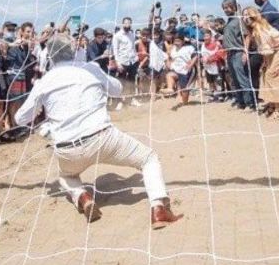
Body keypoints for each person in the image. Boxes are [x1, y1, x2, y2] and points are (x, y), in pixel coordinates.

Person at [14, 34, 182, 229]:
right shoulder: (90, 69)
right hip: (103, 137)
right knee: (149, 158)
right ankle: (159, 207)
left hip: (66, 148)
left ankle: (82, 196)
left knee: (65, 177)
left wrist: (45, 105)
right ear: (75, 50)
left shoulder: (44, 81)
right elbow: (117, 90)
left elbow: (20, 118)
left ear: (50, 56)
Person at [243, 6, 279, 116]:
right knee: (265, 74)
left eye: (248, 15)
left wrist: (266, 61)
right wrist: (265, 62)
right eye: (243, 16)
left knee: (272, 75)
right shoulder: (253, 29)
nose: (245, 18)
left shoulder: (259, 27)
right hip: (271, 51)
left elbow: (268, 46)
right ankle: (271, 104)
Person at [221, 0, 254, 110]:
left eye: (227, 7)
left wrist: (245, 52)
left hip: (238, 52)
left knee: (242, 79)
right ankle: (241, 103)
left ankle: (250, 103)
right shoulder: (229, 21)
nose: (225, 10)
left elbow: (247, 36)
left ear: (234, 7)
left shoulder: (239, 20)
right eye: (224, 8)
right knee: (234, 80)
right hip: (229, 53)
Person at [111, 16, 141, 108]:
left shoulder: (132, 35)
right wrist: (118, 63)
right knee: (121, 82)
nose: (127, 24)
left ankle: (131, 99)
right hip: (122, 62)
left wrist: (136, 59)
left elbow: (133, 48)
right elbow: (115, 50)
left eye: (129, 23)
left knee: (132, 81)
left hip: (133, 61)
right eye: (126, 23)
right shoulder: (117, 36)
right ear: (122, 23)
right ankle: (120, 101)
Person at [168, 35, 197, 109]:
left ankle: (185, 103)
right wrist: (169, 64)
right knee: (169, 75)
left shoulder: (188, 48)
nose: (176, 42)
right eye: (175, 41)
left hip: (187, 71)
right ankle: (170, 89)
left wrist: (191, 65)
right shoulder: (172, 49)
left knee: (184, 89)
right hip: (176, 70)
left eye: (178, 41)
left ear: (183, 42)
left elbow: (195, 56)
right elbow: (170, 58)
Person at [200, 29, 224, 101]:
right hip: (207, 67)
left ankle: (220, 95)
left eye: (207, 36)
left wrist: (210, 60)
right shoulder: (203, 45)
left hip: (216, 66)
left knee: (218, 81)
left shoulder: (217, 44)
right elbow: (202, 55)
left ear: (211, 36)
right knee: (210, 82)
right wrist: (202, 59)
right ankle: (212, 95)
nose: (205, 37)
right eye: (204, 36)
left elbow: (220, 54)